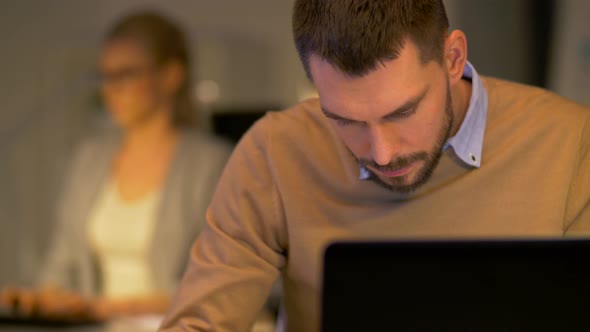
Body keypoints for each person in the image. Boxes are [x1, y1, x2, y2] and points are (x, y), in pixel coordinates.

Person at [159, 1, 590, 331]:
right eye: (345, 120)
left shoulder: (571, 144)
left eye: (402, 113)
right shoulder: (276, 152)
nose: (382, 153)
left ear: (453, 57)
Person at [0, 11, 231, 320]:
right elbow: (63, 261)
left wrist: (110, 308)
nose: (110, 88)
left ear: (170, 76)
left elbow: (223, 283)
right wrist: (42, 298)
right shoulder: (89, 160)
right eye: (105, 76)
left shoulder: (211, 164)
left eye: (125, 74)